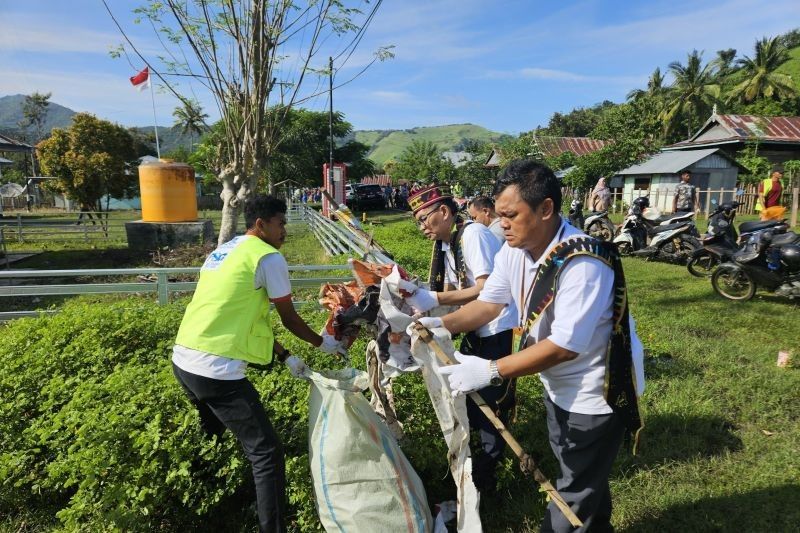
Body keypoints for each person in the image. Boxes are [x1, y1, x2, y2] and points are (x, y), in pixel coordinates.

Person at [412, 160, 644, 532]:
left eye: (511, 215)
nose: (501, 223)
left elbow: (565, 346)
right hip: (559, 384)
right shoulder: (513, 251)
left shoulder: (583, 263)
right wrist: (437, 323)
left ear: (546, 208)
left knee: (572, 491)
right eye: (499, 215)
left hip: (597, 391)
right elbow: (489, 304)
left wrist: (489, 370)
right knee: (579, 471)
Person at [171, 195, 346, 533]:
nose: (285, 231)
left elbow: (239, 315)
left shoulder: (226, 251)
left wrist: (284, 356)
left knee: (214, 432)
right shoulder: (268, 257)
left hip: (184, 360)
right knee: (266, 453)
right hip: (215, 370)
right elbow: (289, 318)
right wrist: (323, 342)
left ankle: (206, 502)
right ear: (261, 224)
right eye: (281, 223)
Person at [402, 185, 518, 493]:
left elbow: (484, 288)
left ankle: (486, 475)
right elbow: (454, 292)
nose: (422, 227)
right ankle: (477, 457)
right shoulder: (446, 245)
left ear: (444, 212)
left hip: (494, 326)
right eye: (417, 222)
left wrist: (434, 298)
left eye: (424, 218)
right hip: (473, 326)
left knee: (492, 400)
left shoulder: (472, 236)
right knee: (465, 391)